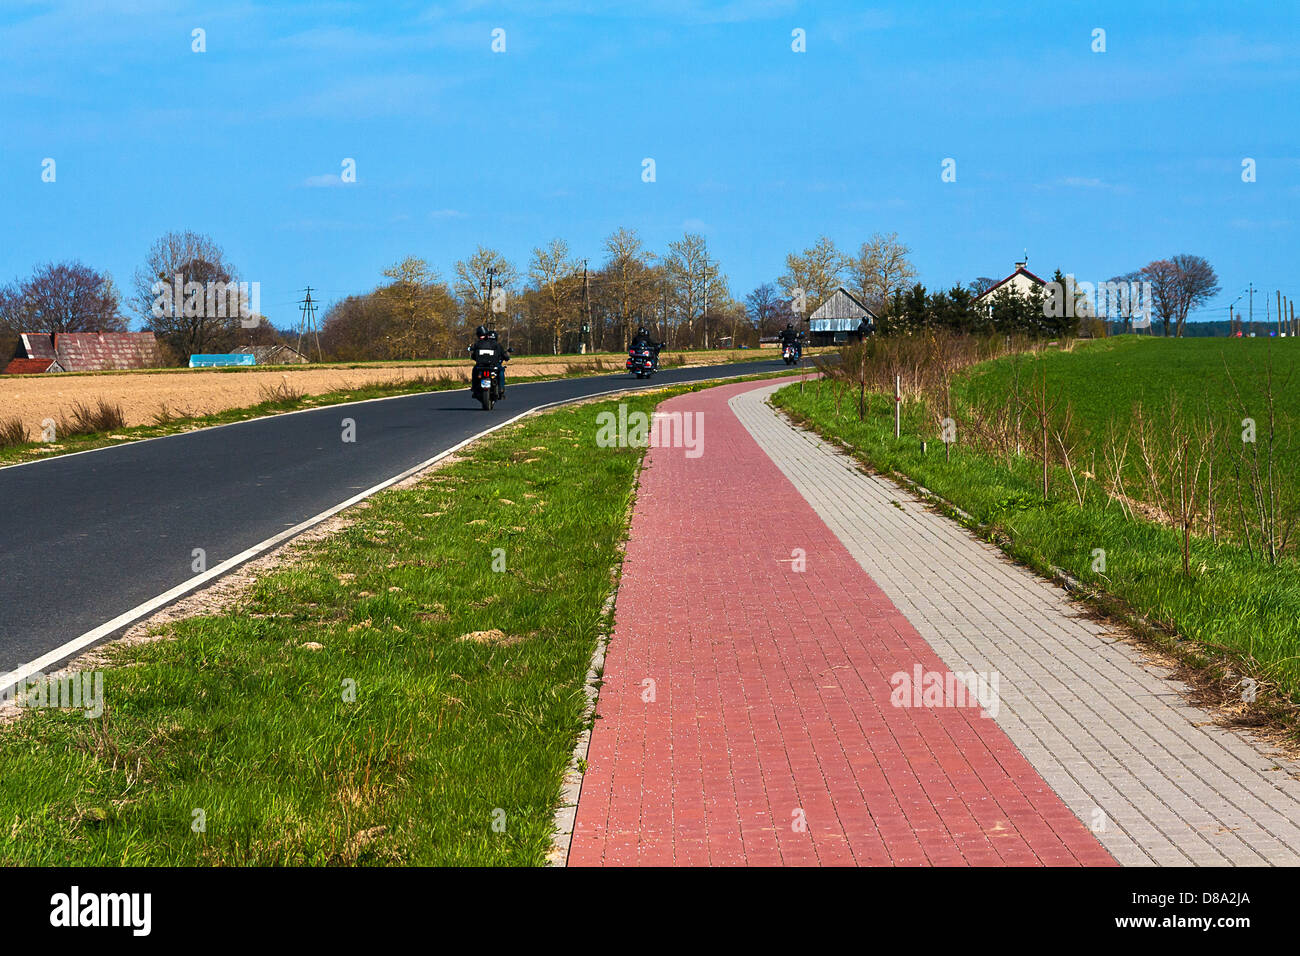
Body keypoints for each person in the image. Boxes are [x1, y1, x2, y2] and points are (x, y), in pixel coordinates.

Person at [467, 325, 509, 396]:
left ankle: (474, 387)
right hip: (493, 365)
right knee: (501, 370)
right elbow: (502, 353)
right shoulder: (495, 343)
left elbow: (473, 355)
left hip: (480, 366)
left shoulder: (477, 343)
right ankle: (501, 387)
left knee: (474, 370)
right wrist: (506, 357)